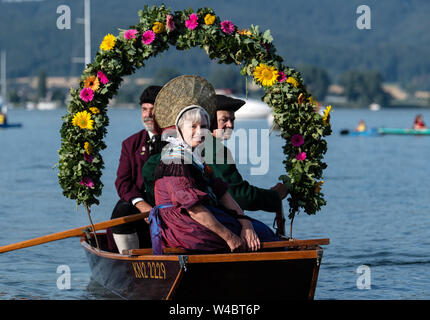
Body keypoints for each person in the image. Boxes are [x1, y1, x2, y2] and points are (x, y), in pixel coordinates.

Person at [149, 75, 278, 254]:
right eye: (192, 127)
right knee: (263, 236)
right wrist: (229, 236)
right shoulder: (174, 159)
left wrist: (244, 221)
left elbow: (222, 192)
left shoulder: (196, 157)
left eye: (202, 126)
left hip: (200, 218)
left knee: (259, 230)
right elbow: (192, 208)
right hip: (184, 226)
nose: (198, 132)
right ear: (179, 130)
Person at [110, 85, 162, 253]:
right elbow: (123, 182)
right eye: (144, 109)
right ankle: (129, 263)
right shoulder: (130, 144)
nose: (148, 115)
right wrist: (142, 205)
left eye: (153, 109)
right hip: (138, 212)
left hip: (168, 208)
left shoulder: (177, 141)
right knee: (122, 209)